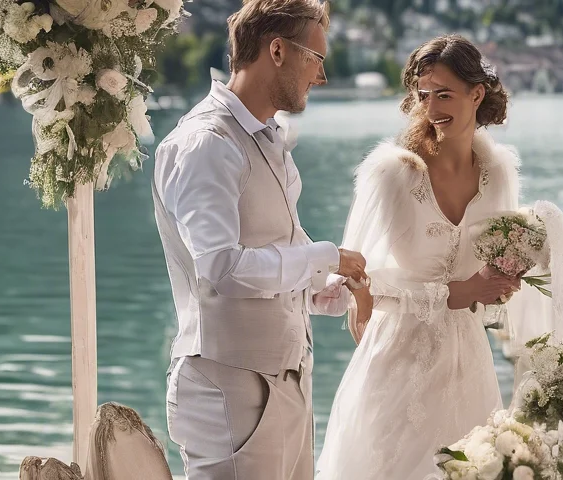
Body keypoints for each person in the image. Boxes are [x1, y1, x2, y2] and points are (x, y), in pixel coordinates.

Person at [150, 1, 367, 478]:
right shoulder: (208, 144)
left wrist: (321, 289)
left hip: (285, 386)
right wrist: (324, 256)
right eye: (316, 58)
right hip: (229, 392)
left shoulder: (268, 139)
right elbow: (222, 268)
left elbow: (272, 255)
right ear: (276, 51)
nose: (322, 76)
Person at [315, 34, 525, 479]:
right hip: (397, 363)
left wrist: (499, 284)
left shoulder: (499, 173)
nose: (431, 109)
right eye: (423, 95)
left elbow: (493, 269)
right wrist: (458, 292)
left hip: (468, 362)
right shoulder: (392, 174)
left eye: (444, 94)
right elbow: (359, 281)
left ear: (477, 94)